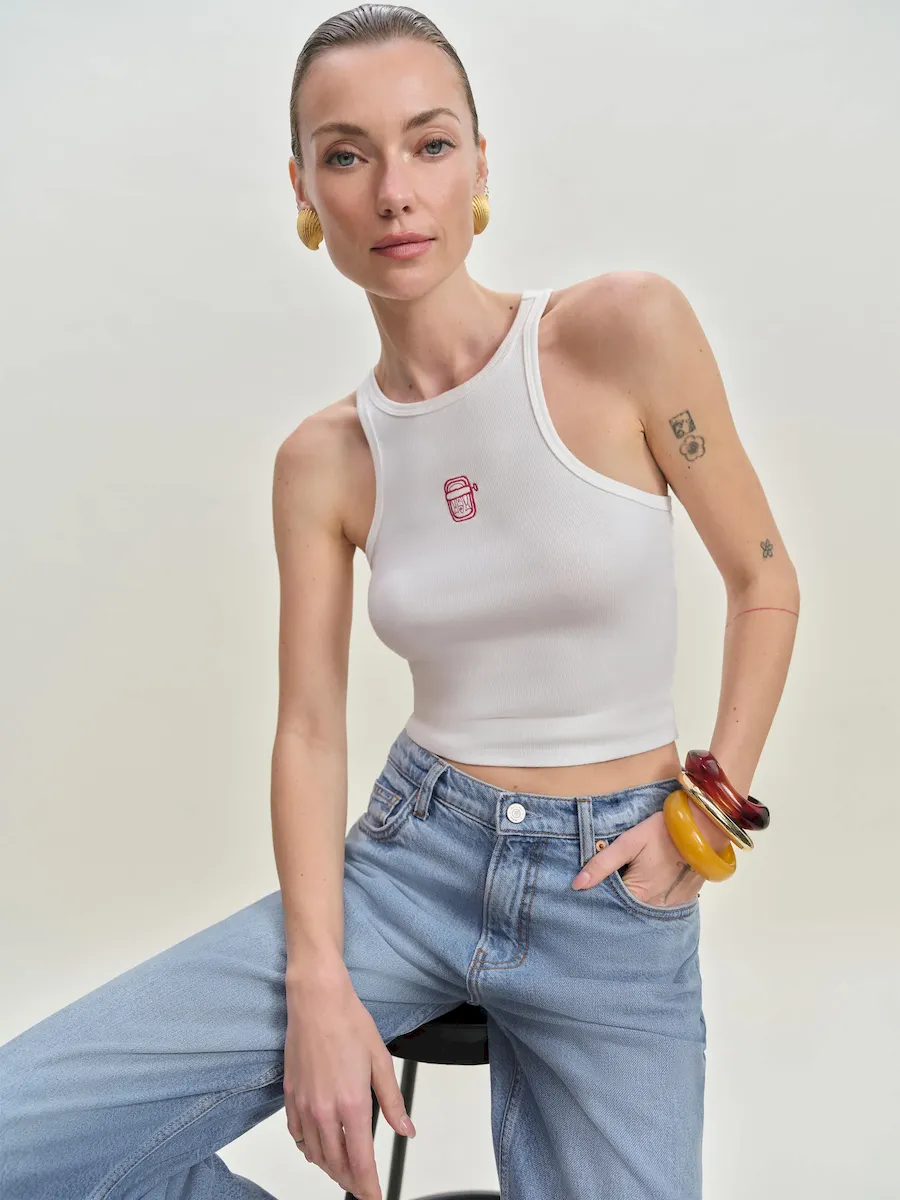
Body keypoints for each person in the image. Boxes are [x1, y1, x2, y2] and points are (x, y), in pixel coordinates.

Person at [0, 5, 801, 1199]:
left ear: (481, 164)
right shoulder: (322, 461)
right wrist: (320, 980)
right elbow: (308, 728)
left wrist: (707, 815)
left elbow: (766, 579)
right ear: (303, 190)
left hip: (617, 883)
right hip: (409, 862)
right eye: (346, 154)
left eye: (429, 144)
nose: (393, 192)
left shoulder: (622, 330)